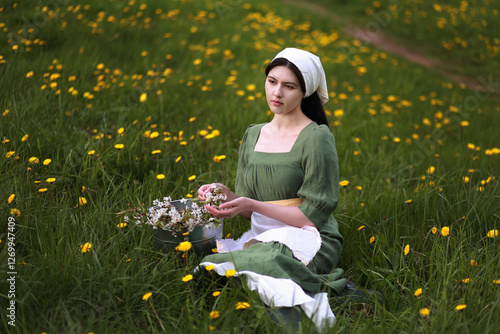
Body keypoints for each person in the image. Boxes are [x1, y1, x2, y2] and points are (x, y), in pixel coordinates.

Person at [196, 47, 347, 330]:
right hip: (264, 232)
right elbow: (247, 207)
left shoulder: (316, 138)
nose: (277, 93)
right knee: (216, 259)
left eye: (289, 86)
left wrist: (252, 206)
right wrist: (224, 194)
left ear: (304, 92)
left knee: (269, 258)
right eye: (272, 81)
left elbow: (311, 217)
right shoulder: (253, 134)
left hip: (310, 235)